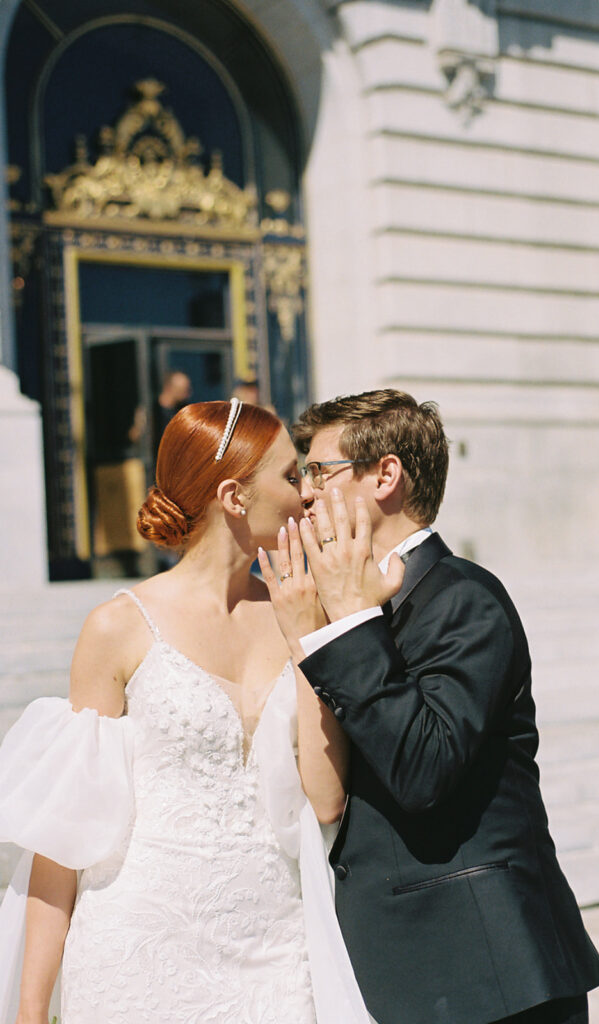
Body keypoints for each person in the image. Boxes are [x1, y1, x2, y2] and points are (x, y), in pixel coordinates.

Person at [0, 399, 372, 1024]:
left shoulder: (301, 613)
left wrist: (310, 636)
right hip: (138, 948)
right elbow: (65, 835)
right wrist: (32, 1007)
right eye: (289, 476)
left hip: (278, 952)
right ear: (234, 495)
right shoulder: (118, 627)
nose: (307, 495)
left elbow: (327, 799)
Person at [259, 389, 599, 1024]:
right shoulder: (342, 609)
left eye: (319, 471)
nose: (304, 493)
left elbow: (423, 766)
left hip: (488, 970)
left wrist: (347, 626)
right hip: (396, 966)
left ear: (386, 475)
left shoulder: (463, 599)